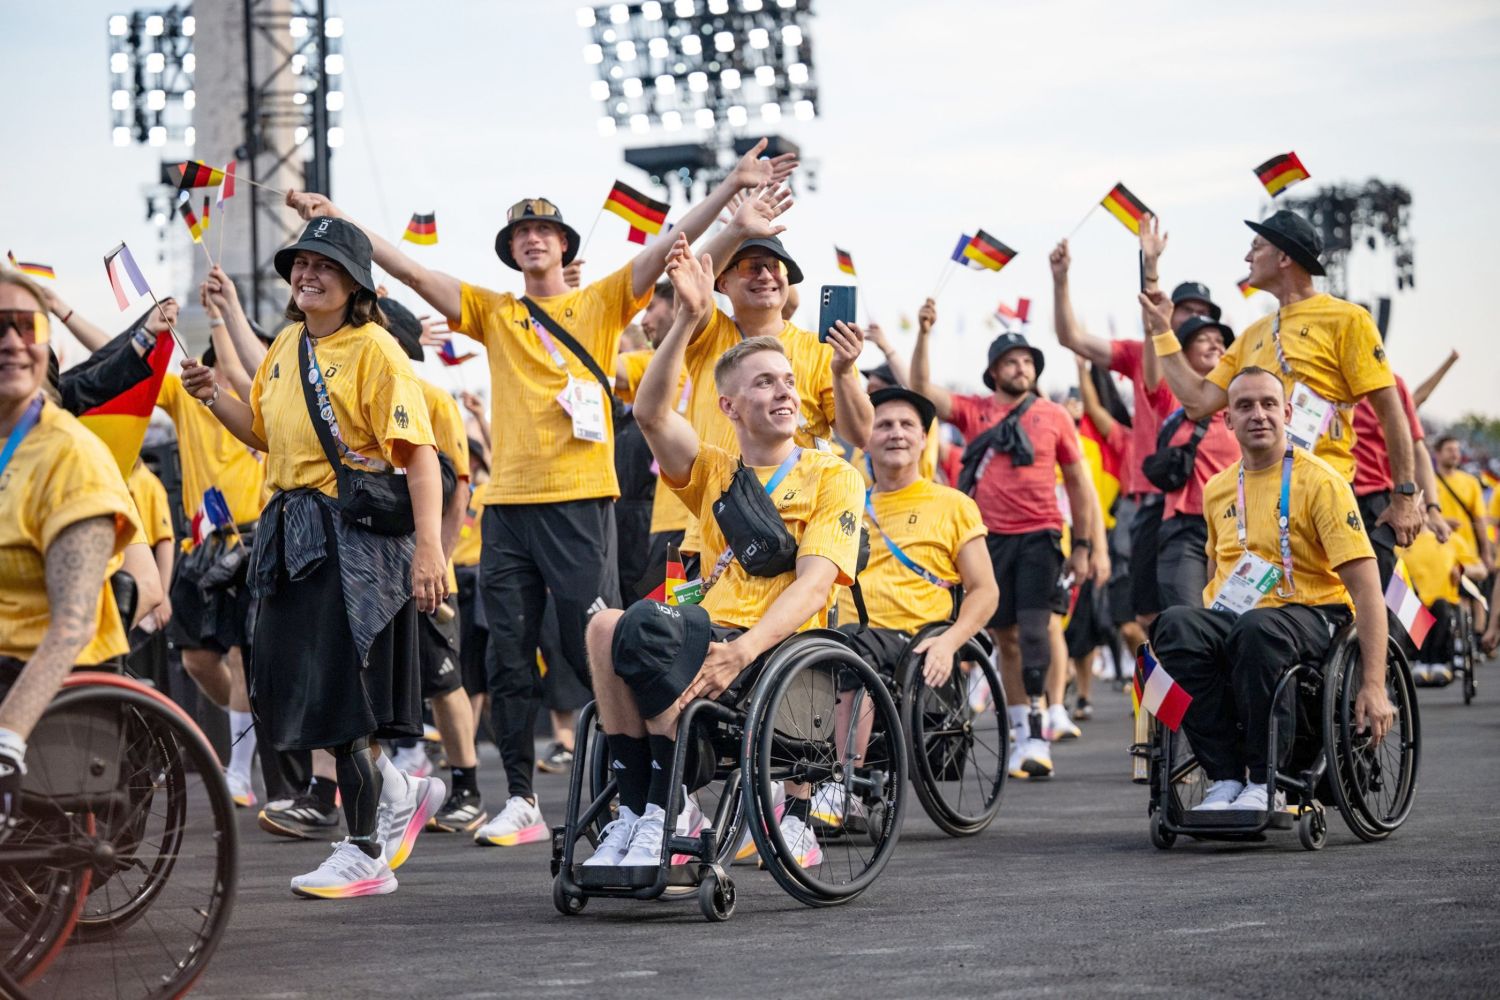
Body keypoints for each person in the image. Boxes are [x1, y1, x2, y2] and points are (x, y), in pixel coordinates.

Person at [286, 140, 798, 848]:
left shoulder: (601, 301)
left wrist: (732, 197)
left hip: (581, 500)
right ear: (512, 250)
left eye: (544, 232)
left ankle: (633, 797)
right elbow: (405, 267)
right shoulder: (493, 312)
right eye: (520, 233)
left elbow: (674, 249)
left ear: (563, 246)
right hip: (508, 509)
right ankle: (522, 798)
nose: (532, 240)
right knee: (504, 654)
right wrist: (338, 218)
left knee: (593, 648)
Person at [180, 217, 447, 898]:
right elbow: (265, 435)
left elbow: (420, 458)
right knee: (284, 687)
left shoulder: (376, 350)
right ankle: (397, 788)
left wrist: (430, 549)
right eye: (300, 263)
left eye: (324, 265)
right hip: (287, 538)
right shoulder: (289, 346)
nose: (308, 274)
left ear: (355, 283)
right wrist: (215, 400)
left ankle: (364, 853)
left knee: (337, 698)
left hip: (347, 545)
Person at [581, 236, 864, 870]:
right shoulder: (716, 469)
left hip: (776, 644)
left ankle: (667, 804)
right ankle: (643, 810)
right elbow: (650, 412)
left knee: (654, 628)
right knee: (604, 627)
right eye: (765, 383)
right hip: (707, 621)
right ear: (728, 406)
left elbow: (815, 587)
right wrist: (684, 318)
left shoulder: (831, 475)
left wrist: (744, 647)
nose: (786, 392)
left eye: (788, 380)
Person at [1150, 367, 1396, 814]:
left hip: (1314, 613)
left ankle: (1267, 782)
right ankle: (1225, 777)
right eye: (1244, 406)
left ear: (1287, 413)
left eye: (1268, 404)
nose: (1258, 415)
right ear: (1228, 420)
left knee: (1256, 630)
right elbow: (1215, 574)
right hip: (1244, 616)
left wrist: (1374, 685)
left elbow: (1367, 591)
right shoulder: (1218, 488)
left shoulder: (1321, 482)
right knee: (1174, 625)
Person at [1142, 210, 1425, 553]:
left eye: (1256, 247)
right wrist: (1162, 332)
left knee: (1355, 603)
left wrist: (1405, 496)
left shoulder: (1348, 319)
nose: (1247, 257)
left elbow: (1392, 413)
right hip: (1265, 500)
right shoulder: (1253, 334)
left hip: (1327, 493)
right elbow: (1198, 400)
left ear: (1284, 257)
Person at [911, 312, 1097, 780]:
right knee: (1005, 638)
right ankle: (1018, 728)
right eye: (1011, 362)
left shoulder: (1054, 415)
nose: (1021, 368)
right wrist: (925, 332)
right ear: (994, 371)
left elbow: (1078, 481)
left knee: (1036, 630)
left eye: (1027, 361)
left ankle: (1038, 729)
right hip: (988, 540)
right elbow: (920, 389)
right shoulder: (976, 410)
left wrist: (1088, 545)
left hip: (1041, 535)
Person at [0, 272, 142, 832]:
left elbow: (74, 623)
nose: (11, 341)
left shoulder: (71, 457)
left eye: (24, 326)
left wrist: (8, 733)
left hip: (43, 679)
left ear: (45, 347)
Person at [820, 386, 998, 826]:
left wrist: (950, 642)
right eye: (883, 424)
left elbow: (984, 590)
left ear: (923, 439)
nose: (895, 433)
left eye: (906, 425)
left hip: (912, 643)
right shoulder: (844, 502)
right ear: (865, 436)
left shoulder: (953, 504)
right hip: (845, 635)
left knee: (849, 645)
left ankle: (845, 788)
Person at [672, 190, 872, 578]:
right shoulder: (708, 335)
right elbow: (689, 276)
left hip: (795, 530)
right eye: (750, 266)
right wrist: (736, 229)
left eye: (774, 267)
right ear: (723, 282)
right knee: (705, 634)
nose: (765, 275)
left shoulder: (819, 350)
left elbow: (861, 433)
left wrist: (844, 371)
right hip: (714, 528)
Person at [1051, 219, 1218, 628]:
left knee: (1204, 608)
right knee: (1146, 613)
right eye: (1187, 311)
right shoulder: (1147, 355)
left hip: (1209, 502)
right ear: (1168, 311)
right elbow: (1071, 335)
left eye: (1204, 315)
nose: (1195, 319)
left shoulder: (1222, 367)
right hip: (1149, 498)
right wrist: (1061, 280)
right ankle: (1166, 687)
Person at [1147, 316, 1241, 609]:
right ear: (1181, 356)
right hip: (1184, 530)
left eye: (1221, 340)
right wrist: (1157, 324)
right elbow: (1153, 366)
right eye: (1203, 338)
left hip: (1237, 527)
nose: (1215, 343)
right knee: (1188, 620)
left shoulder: (1244, 402)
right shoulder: (1171, 398)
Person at [1349, 373, 1448, 587]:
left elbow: (1417, 447)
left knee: (1377, 589)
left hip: (1373, 507)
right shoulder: (1309, 371)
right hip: (1318, 493)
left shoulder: (1389, 382)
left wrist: (1433, 508)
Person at [1399, 528, 1482, 685]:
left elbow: (1481, 570)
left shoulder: (1452, 539)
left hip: (1445, 604)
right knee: (1413, 605)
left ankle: (1438, 660)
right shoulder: (1401, 541)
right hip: (1414, 603)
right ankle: (1420, 661)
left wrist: (1462, 570)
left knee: (1440, 606)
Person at [1432, 436, 1494, 576]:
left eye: (1457, 450)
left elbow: (1480, 520)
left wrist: (1486, 552)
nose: (1455, 454)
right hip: (1438, 550)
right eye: (1449, 450)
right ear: (1437, 453)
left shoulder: (1471, 482)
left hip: (1467, 552)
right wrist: (1441, 522)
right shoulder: (1428, 482)